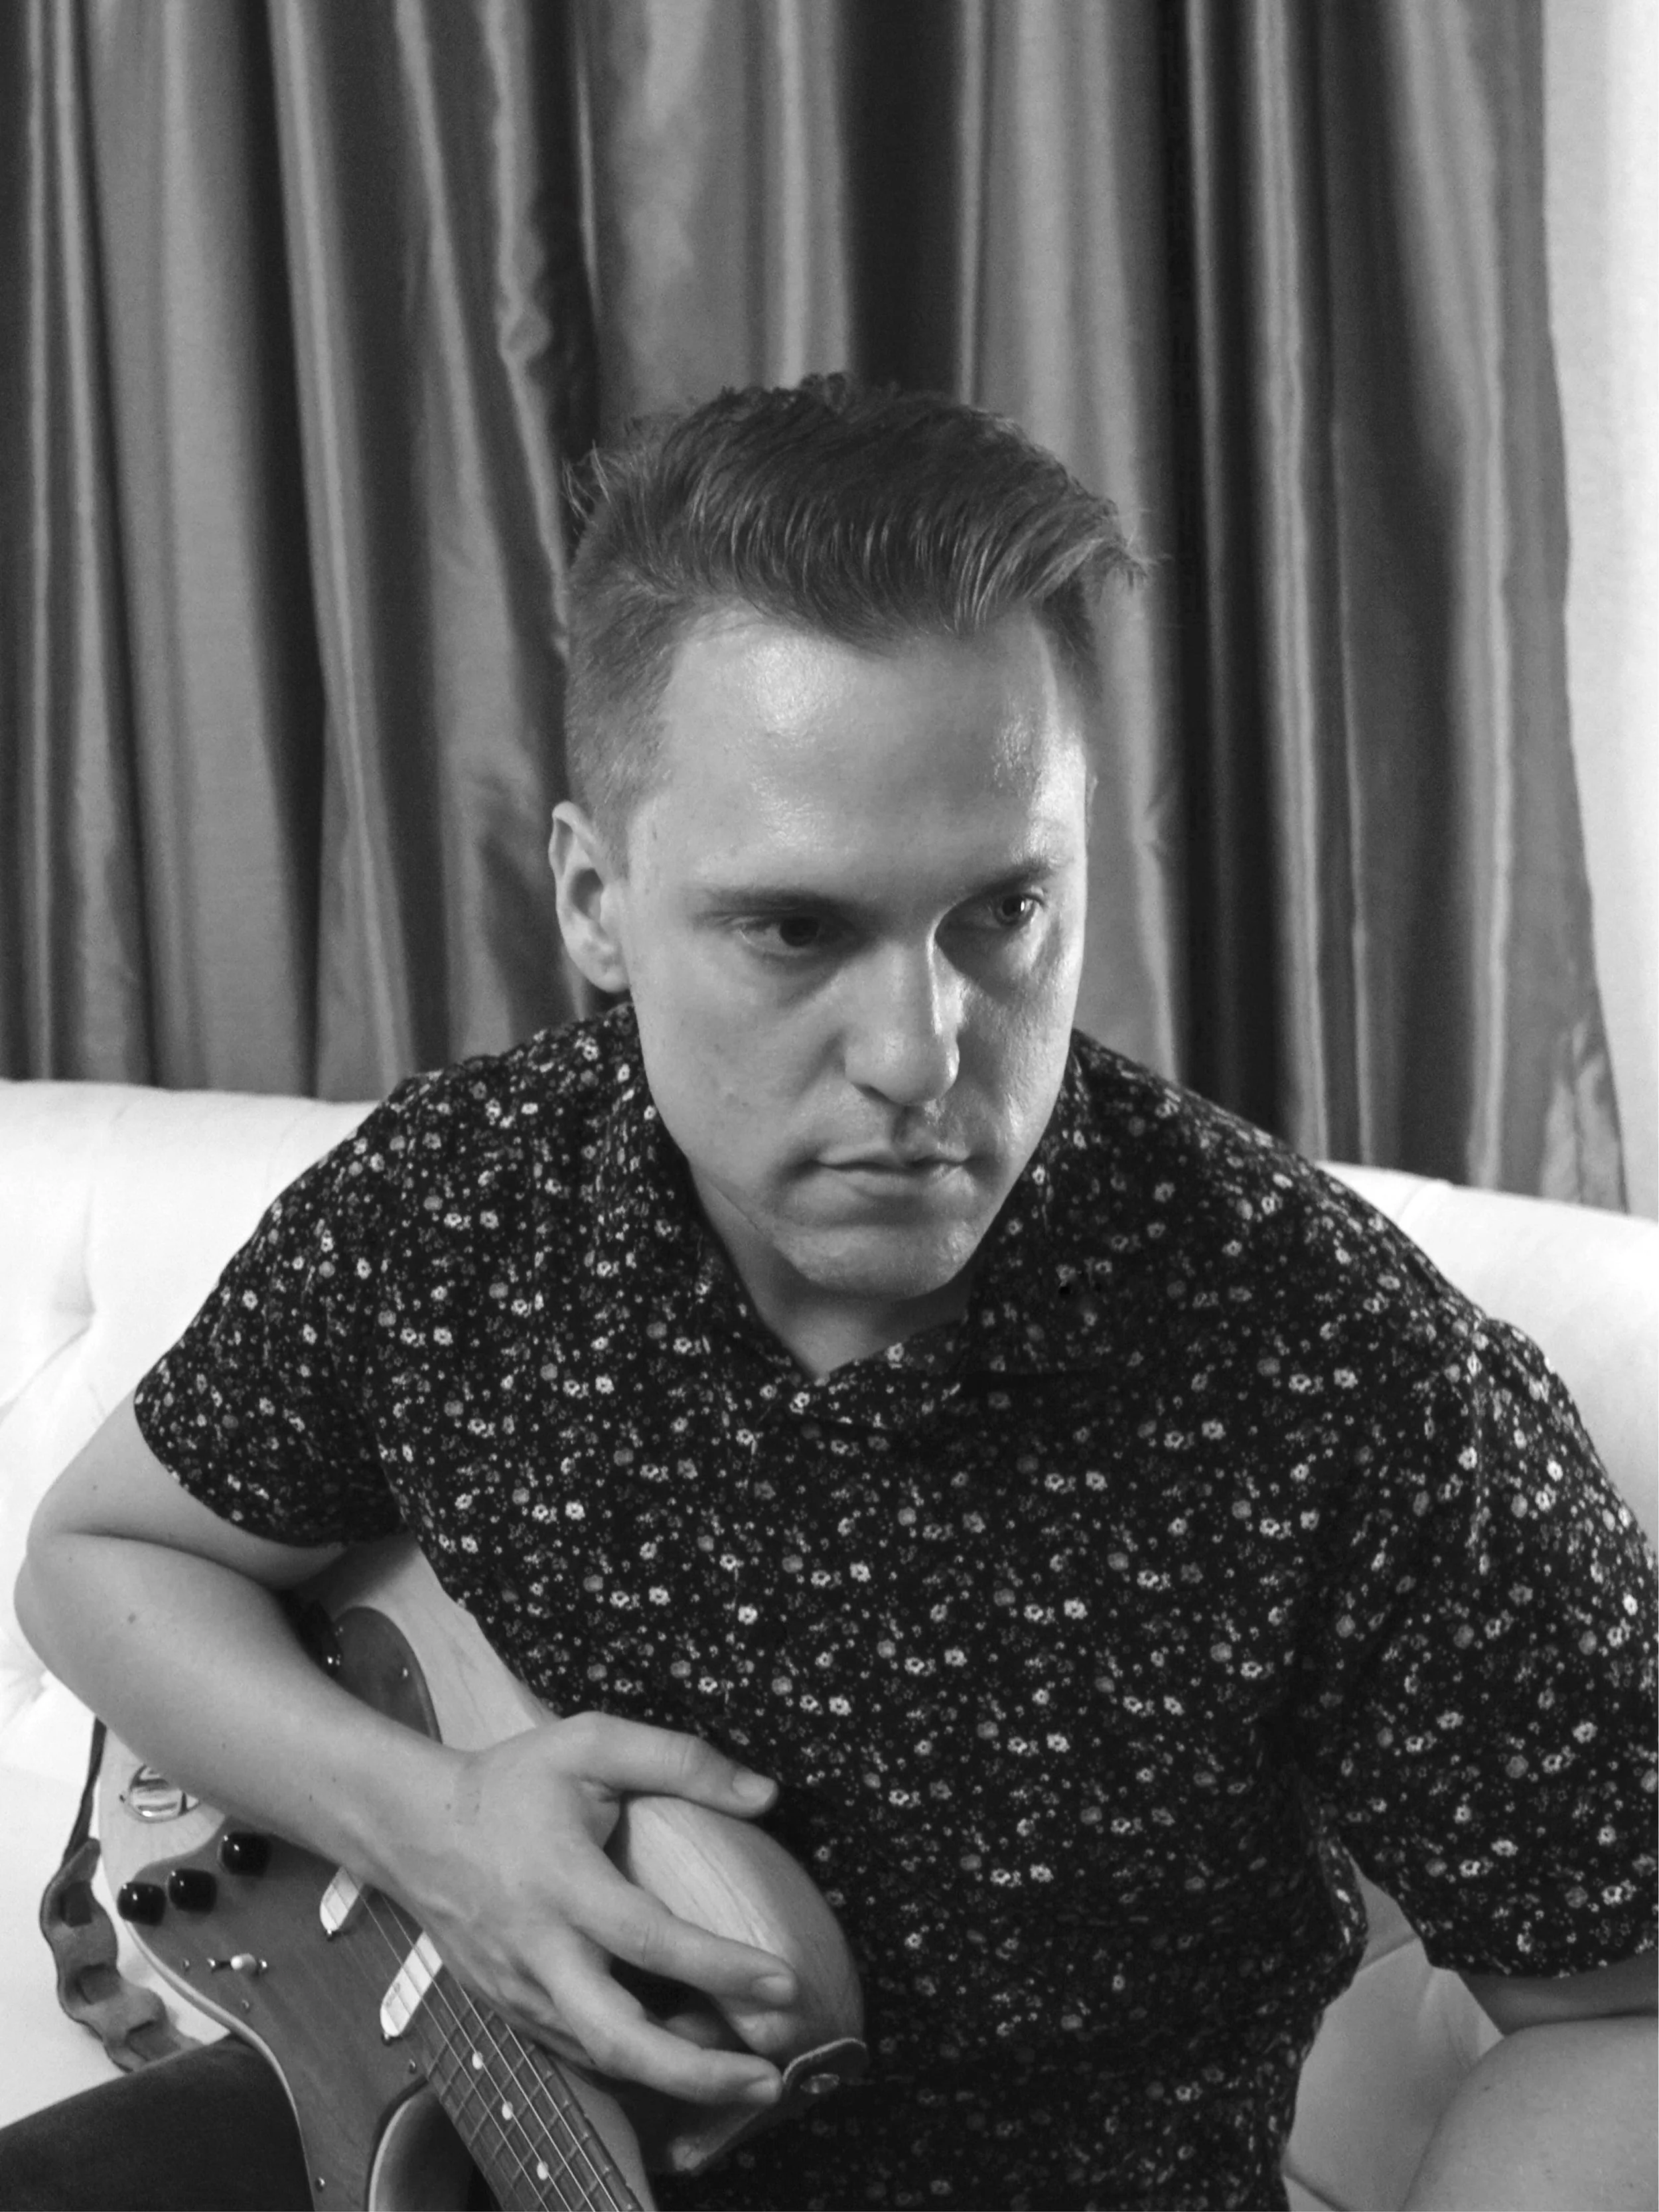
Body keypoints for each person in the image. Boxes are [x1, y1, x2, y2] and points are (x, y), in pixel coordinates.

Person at [7, 376, 1655, 2212]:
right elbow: (97, 1556)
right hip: (448, 2104)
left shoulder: (1347, 1375)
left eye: (1001, 913)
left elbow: (1621, 2014)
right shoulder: (456, 1206)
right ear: (593, 899)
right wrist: (436, 1823)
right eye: (796, 927)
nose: (918, 1053)